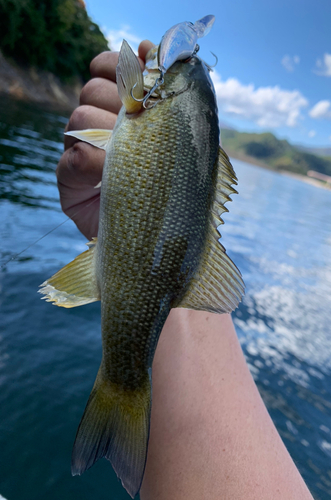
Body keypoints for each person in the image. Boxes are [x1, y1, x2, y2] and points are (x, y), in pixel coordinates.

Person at [57, 40, 314, 500]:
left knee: (125, 372)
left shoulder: (142, 96)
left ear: (155, 84)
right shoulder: (162, 106)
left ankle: (122, 387)